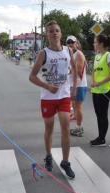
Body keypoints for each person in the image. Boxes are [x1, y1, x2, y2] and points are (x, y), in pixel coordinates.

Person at [29, 20, 77, 179]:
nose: (54, 33)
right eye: (51, 31)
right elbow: (32, 77)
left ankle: (65, 161)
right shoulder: (44, 53)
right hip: (48, 97)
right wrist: (48, 86)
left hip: (63, 96)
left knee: (65, 126)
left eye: (57, 30)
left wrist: (74, 87)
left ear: (61, 33)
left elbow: (74, 69)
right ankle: (48, 155)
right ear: (47, 35)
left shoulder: (68, 51)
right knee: (49, 128)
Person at [90, 34, 110, 147]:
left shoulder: (108, 56)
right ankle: (100, 137)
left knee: (102, 114)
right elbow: (94, 71)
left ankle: (102, 139)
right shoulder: (97, 56)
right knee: (98, 114)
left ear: (101, 44)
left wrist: (99, 83)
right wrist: (92, 82)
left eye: (95, 42)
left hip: (105, 90)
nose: (94, 44)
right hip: (96, 90)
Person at [66, 35, 88, 137]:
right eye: (68, 42)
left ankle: (79, 128)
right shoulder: (71, 54)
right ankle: (78, 126)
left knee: (78, 107)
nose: (70, 44)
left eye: (72, 42)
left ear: (76, 43)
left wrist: (67, 71)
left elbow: (78, 71)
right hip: (73, 85)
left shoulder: (78, 54)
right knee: (74, 106)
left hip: (79, 85)